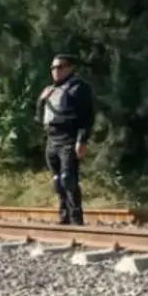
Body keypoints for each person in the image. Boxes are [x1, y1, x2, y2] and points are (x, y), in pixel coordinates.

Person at [37, 54, 94, 226]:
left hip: (69, 138)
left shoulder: (78, 88)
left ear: (70, 68)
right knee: (57, 180)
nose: (56, 71)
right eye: (53, 68)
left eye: (60, 67)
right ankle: (64, 217)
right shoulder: (50, 90)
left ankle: (76, 218)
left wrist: (81, 140)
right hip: (52, 139)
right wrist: (41, 101)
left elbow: (87, 117)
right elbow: (39, 118)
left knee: (68, 178)